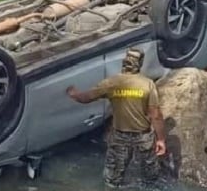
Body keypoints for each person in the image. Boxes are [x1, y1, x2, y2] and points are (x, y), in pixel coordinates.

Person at [66, 48, 166, 189]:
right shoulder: (147, 84)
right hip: (144, 137)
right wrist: (161, 139)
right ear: (141, 63)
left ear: (124, 62)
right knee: (151, 179)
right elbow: (156, 115)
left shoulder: (111, 83)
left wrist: (72, 93)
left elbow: (85, 98)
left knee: (112, 180)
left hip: (120, 137)